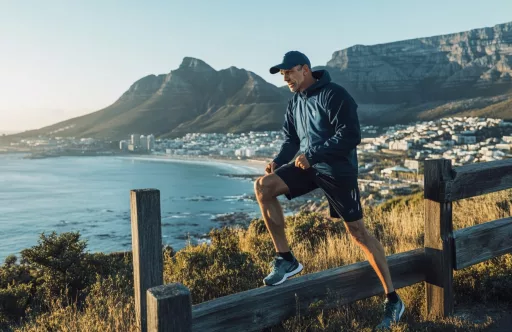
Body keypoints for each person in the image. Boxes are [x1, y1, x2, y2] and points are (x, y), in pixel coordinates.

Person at [253, 51, 405, 329]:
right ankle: (285, 259)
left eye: (289, 72)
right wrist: (278, 160)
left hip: (337, 170)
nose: (285, 78)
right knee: (263, 187)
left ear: (305, 70)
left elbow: (350, 134)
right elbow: (291, 140)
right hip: (309, 167)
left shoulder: (334, 94)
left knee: (358, 233)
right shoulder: (294, 103)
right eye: (282, 74)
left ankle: (393, 299)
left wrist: (315, 154)